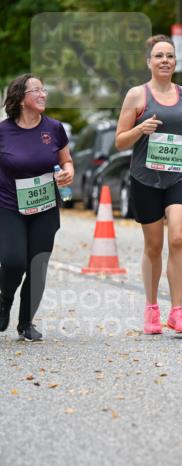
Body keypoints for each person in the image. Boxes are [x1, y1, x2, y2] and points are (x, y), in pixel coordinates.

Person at [115, 34, 182, 336]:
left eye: (170, 55)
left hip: (179, 174)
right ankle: (152, 308)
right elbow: (119, 141)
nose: (165, 60)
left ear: (176, 61)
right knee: (154, 246)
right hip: (145, 177)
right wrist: (140, 128)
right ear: (149, 62)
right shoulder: (137, 96)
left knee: (177, 237)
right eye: (159, 56)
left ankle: (177, 311)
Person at [0, 74, 74, 341]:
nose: (43, 94)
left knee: (37, 264)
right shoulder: (3, 131)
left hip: (45, 206)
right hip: (9, 206)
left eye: (44, 89)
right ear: (21, 98)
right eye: (36, 90)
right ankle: (4, 300)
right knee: (13, 261)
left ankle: (26, 323)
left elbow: (67, 161)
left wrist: (67, 173)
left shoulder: (54, 128)